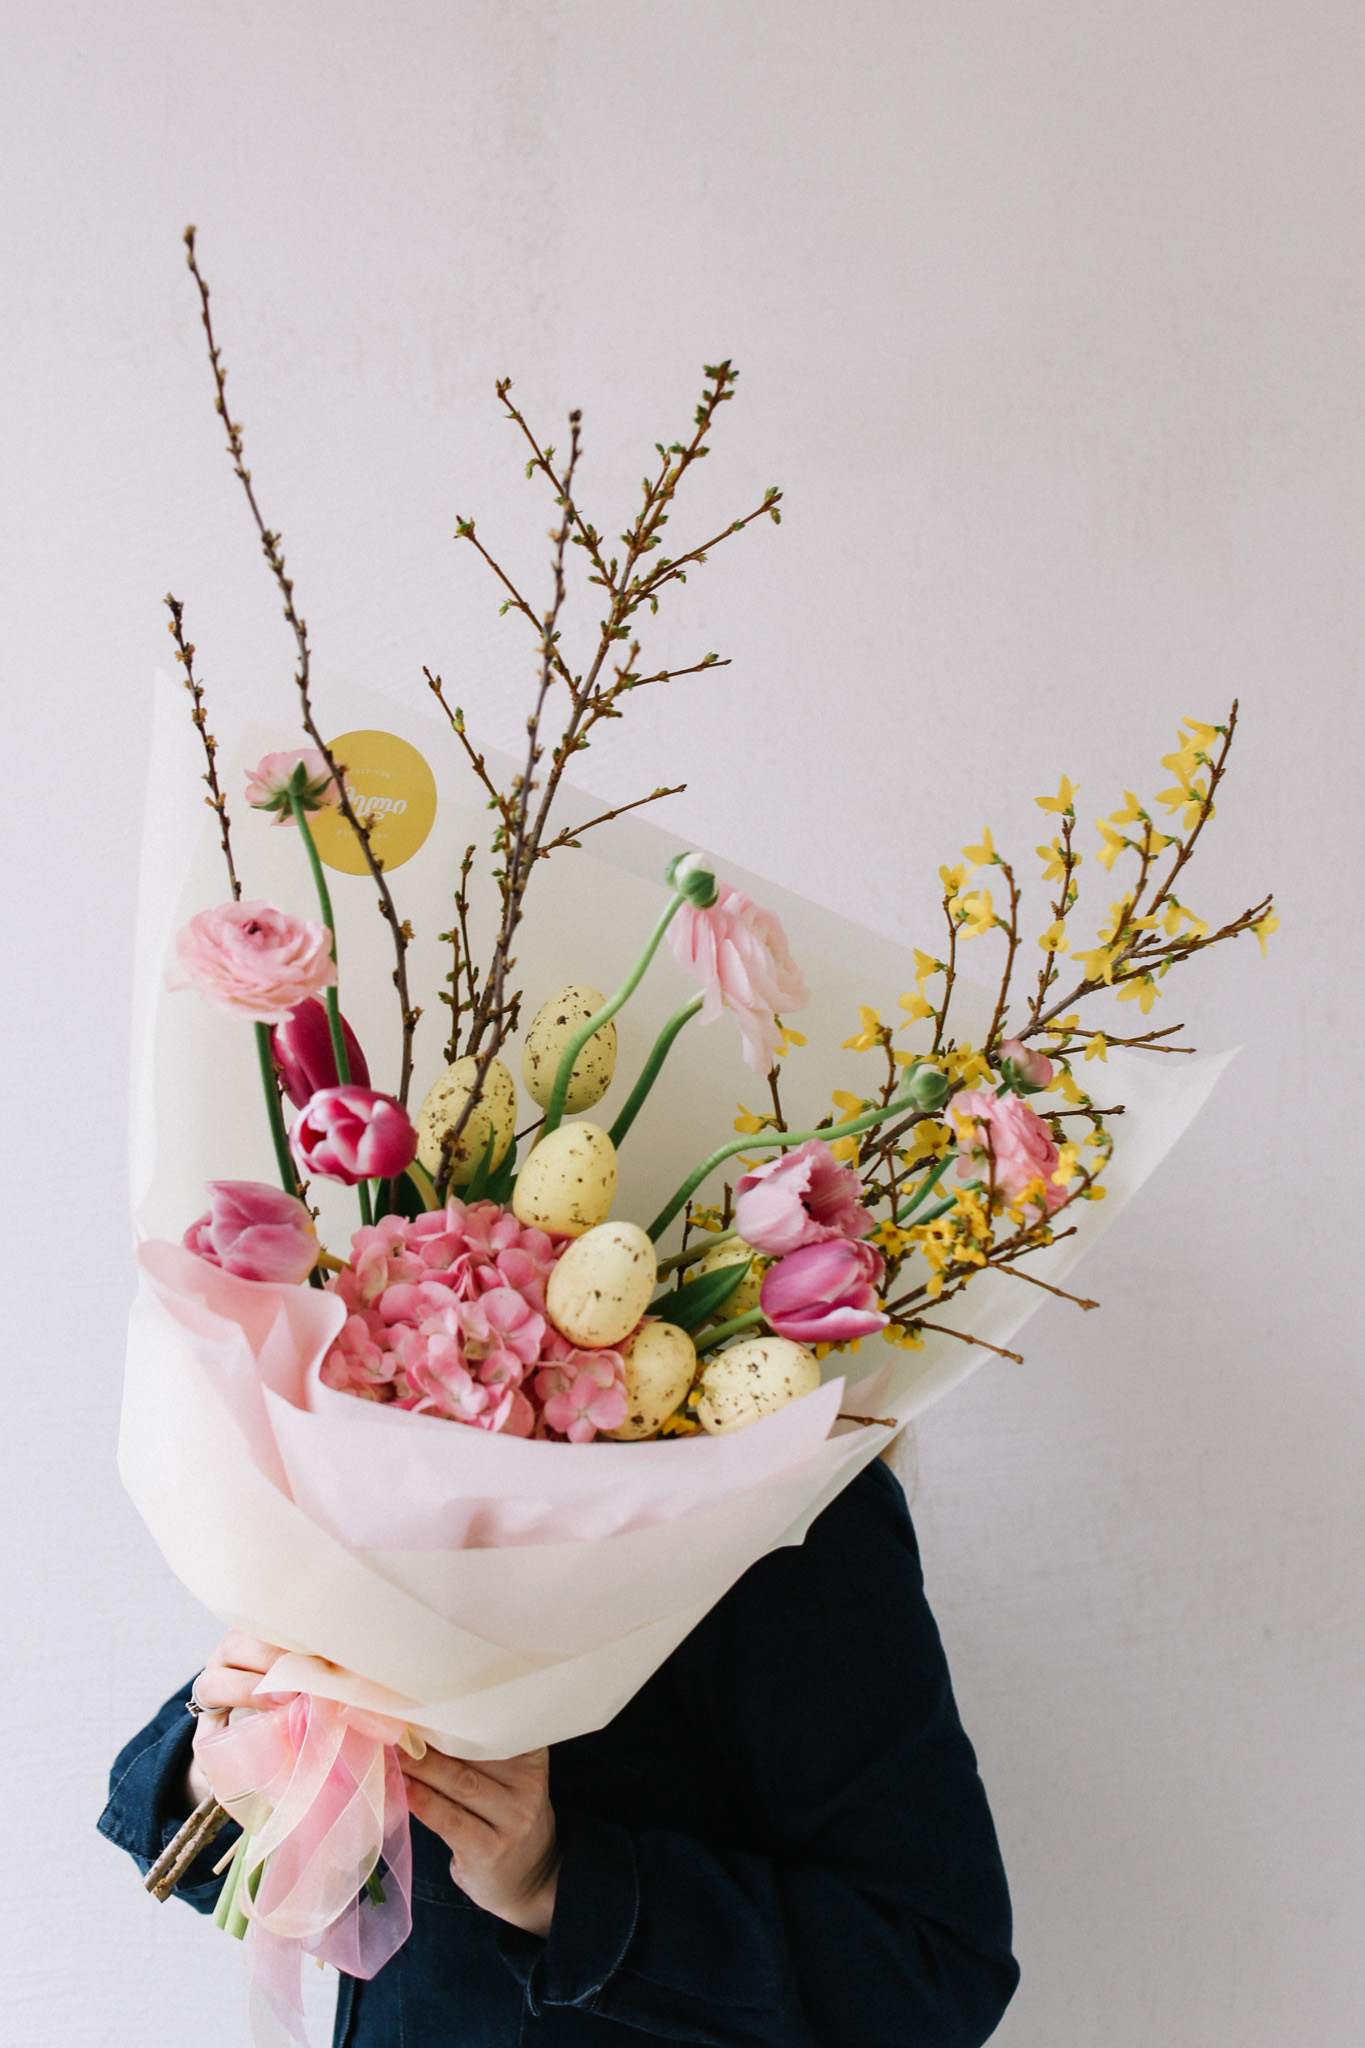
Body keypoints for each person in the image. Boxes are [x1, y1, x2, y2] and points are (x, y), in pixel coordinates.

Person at [99, 1458, 1020, 2045]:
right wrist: (237, 1756)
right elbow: (222, 1856)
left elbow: (934, 1976)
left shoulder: (789, 1517)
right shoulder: (385, 1473)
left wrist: (559, 1887)